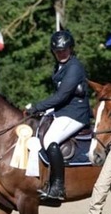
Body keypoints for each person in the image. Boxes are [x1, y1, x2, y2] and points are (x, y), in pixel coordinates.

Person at [25, 30, 91, 201]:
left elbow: (61, 95)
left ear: (71, 49)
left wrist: (37, 107)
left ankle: (58, 187)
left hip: (75, 114)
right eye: (57, 51)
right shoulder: (60, 66)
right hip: (63, 110)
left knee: (49, 139)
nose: (61, 53)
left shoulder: (74, 67)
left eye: (64, 50)